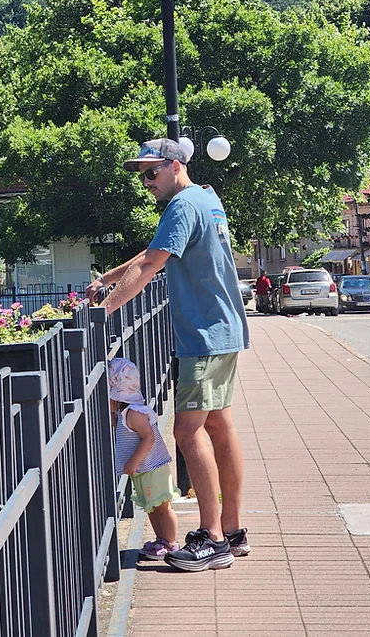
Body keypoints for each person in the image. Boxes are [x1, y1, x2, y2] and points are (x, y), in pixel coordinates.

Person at [86, 137, 251, 572]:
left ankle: (212, 539)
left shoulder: (182, 205)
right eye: (141, 174)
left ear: (175, 166)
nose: (146, 181)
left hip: (202, 334)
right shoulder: (205, 200)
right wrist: (108, 275)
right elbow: (149, 253)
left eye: (151, 171)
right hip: (224, 329)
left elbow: (151, 264)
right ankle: (232, 530)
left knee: (186, 431)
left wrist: (102, 311)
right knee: (219, 424)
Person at [108, 357, 180, 560]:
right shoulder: (124, 413)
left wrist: (133, 462)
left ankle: (171, 543)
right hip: (143, 469)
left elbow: (148, 438)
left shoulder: (134, 414)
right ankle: (161, 540)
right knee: (151, 506)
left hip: (152, 467)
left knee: (162, 506)